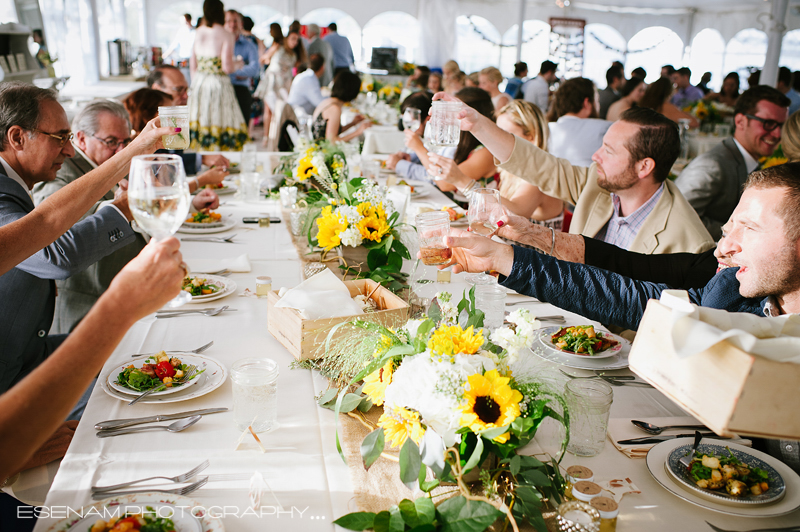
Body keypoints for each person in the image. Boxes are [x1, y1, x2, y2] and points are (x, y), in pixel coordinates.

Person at [429, 91, 714, 254]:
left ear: (644, 167)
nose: (595, 156)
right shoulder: (600, 184)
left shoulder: (688, 241)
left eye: (609, 151)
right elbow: (537, 164)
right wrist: (477, 124)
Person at [0, 237, 185, 482]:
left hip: (31, 354)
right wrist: (120, 306)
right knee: (141, 433)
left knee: (148, 354)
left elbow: (45, 222)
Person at [29, 100, 219, 338]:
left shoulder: (117, 163)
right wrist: (122, 207)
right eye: (111, 142)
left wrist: (189, 203)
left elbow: (149, 199)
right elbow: (58, 220)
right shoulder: (60, 170)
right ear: (81, 139)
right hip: (91, 310)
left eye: (125, 142)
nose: (120, 150)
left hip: (137, 296)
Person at [0, 84, 137, 396]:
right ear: (18, 137)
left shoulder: (14, 184)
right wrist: (122, 210)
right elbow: (54, 254)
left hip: (33, 351)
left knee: (136, 352)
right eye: (60, 138)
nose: (71, 151)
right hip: (11, 377)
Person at [676, 85, 790, 239]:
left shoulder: (749, 162)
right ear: (740, 121)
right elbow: (679, 218)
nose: (777, 133)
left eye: (781, 125)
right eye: (768, 123)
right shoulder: (712, 165)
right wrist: (742, 234)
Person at [485, 100, 565, 229]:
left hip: (534, 249)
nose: (497, 140)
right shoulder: (511, 169)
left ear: (531, 136)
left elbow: (516, 213)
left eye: (504, 134)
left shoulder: (540, 172)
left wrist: (464, 183)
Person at [189, 0, 249, 150]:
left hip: (199, 81)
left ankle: (200, 155)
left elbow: (193, 63)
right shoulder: (226, 34)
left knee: (201, 119)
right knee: (221, 119)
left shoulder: (199, 31)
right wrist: (239, 64)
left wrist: (195, 83)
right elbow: (227, 67)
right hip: (218, 83)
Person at [144, 66, 230, 171]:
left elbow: (174, 157)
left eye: (186, 90)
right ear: (157, 89)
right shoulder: (145, 121)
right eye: (179, 89)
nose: (185, 96)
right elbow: (159, 168)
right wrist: (201, 159)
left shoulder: (174, 118)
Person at [423, 87, 498, 197]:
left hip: (473, 212)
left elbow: (445, 184)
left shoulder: (486, 152)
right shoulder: (462, 143)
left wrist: (418, 147)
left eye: (454, 111)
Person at [385, 92, 453, 182]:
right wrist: (412, 157)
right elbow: (429, 155)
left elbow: (437, 177)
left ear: (428, 119)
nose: (409, 126)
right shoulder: (429, 136)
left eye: (412, 121)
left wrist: (399, 164)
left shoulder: (447, 138)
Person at [547, 77, 612, 167]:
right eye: (597, 101)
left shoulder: (546, 129)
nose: (599, 106)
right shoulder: (605, 129)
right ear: (587, 103)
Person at [255, 29, 305, 144]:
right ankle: (266, 137)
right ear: (287, 38)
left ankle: (278, 136)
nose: (295, 42)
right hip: (272, 82)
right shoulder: (277, 47)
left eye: (297, 40)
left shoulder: (294, 54)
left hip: (284, 85)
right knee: (268, 111)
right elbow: (263, 59)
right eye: (293, 39)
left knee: (280, 110)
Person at [311, 71, 372, 142]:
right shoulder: (334, 108)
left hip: (318, 147)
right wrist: (358, 131)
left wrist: (352, 123)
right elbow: (331, 142)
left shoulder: (327, 101)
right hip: (323, 150)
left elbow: (331, 132)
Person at [224, 10, 260, 127]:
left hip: (241, 88)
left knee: (242, 125)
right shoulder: (219, 43)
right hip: (223, 88)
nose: (232, 24)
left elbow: (255, 69)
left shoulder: (249, 45)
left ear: (241, 23)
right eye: (229, 21)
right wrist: (236, 69)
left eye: (235, 21)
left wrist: (233, 72)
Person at [306, 23, 333, 87]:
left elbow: (309, 63)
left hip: (319, 78)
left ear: (312, 32)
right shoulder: (327, 44)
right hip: (329, 77)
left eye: (308, 31)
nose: (307, 33)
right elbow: (332, 61)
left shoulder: (313, 45)